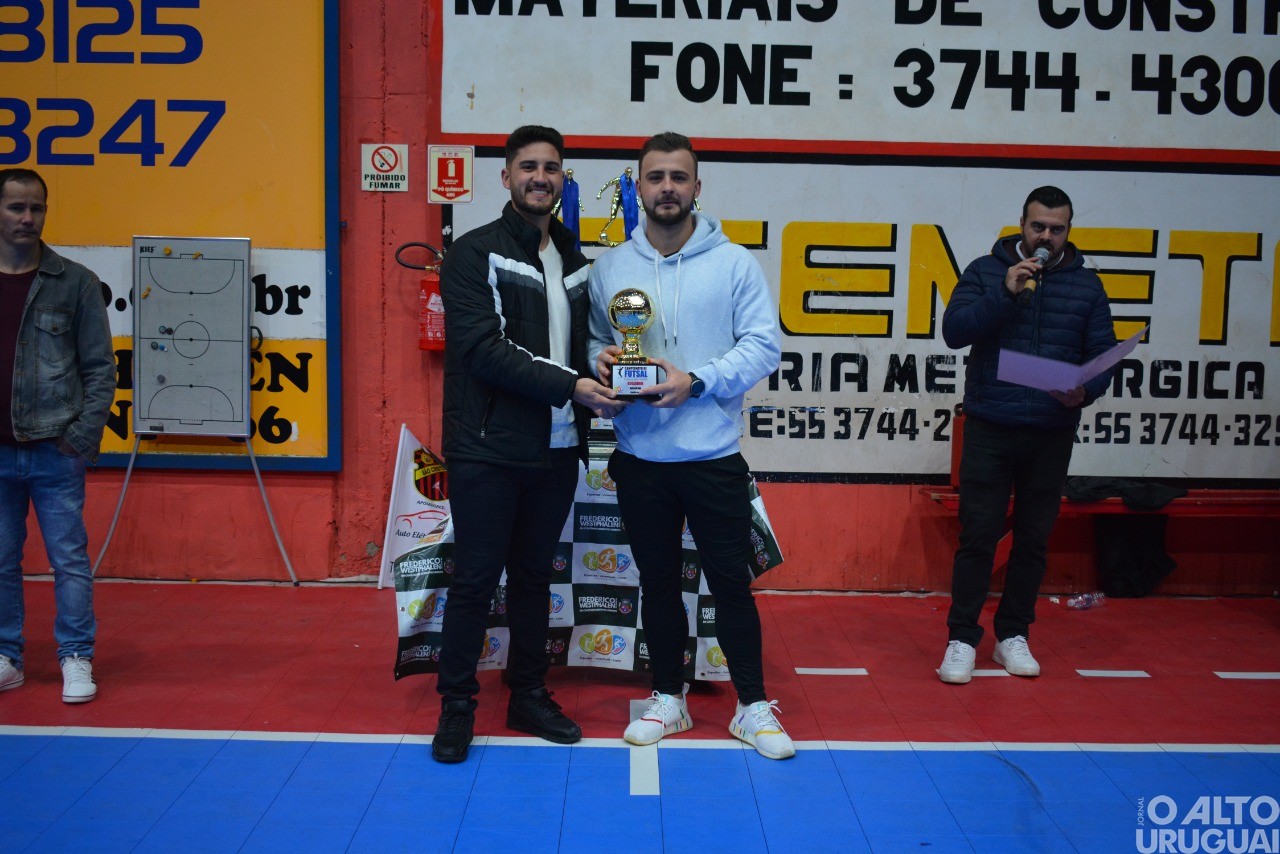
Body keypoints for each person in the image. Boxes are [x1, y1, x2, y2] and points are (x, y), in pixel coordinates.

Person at [588, 132, 794, 760]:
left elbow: (763, 346)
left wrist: (696, 380)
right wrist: (601, 361)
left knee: (730, 584)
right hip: (641, 458)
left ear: (697, 187)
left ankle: (752, 705)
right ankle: (668, 699)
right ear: (639, 187)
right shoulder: (609, 267)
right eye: (656, 177)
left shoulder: (734, 263)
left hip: (711, 457)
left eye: (679, 177)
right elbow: (598, 339)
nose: (668, 188)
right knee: (655, 583)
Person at [432, 126, 622, 763]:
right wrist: (577, 385)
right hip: (486, 449)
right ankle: (457, 707)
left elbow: (581, 345)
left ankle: (528, 694)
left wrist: (607, 362)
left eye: (552, 169)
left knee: (536, 579)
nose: (541, 177)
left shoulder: (574, 259)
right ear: (507, 176)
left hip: (557, 448)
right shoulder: (474, 254)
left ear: (563, 179)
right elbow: (484, 351)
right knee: (477, 581)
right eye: (528, 167)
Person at [938, 185, 1116, 684]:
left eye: (1057, 229)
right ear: (1022, 224)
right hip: (991, 425)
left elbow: (1102, 356)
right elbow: (955, 331)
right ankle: (961, 638)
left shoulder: (1087, 287)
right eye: (1039, 226)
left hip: (1051, 430)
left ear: (1068, 231)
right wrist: (1005, 292)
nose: (1047, 237)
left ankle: (1013, 635)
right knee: (978, 537)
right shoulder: (985, 271)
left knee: (1034, 540)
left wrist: (1086, 391)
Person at [0, 168, 116, 704]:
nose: (27, 218)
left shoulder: (76, 282)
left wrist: (79, 438)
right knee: (1, 559)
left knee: (68, 559)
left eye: (36, 208)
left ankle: (75, 656)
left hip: (54, 449)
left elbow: (100, 369)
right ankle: (8, 657)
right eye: (16, 207)